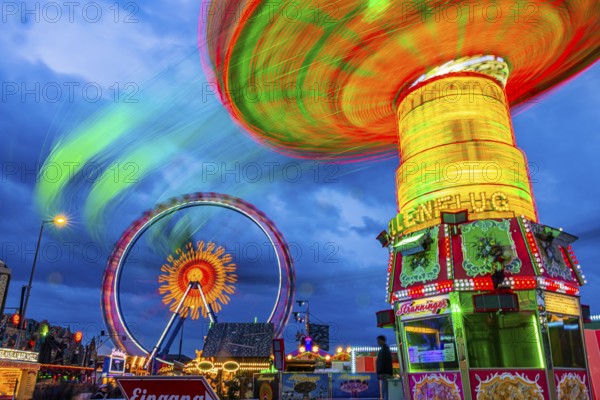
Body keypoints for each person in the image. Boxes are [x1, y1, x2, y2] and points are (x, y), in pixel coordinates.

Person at [376, 335, 393, 400]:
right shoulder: (386, 350)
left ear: (382, 341)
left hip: (384, 373)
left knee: (385, 390)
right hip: (386, 372)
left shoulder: (383, 351)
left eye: (378, 340)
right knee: (385, 389)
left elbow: (382, 363)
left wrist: (379, 372)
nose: (377, 342)